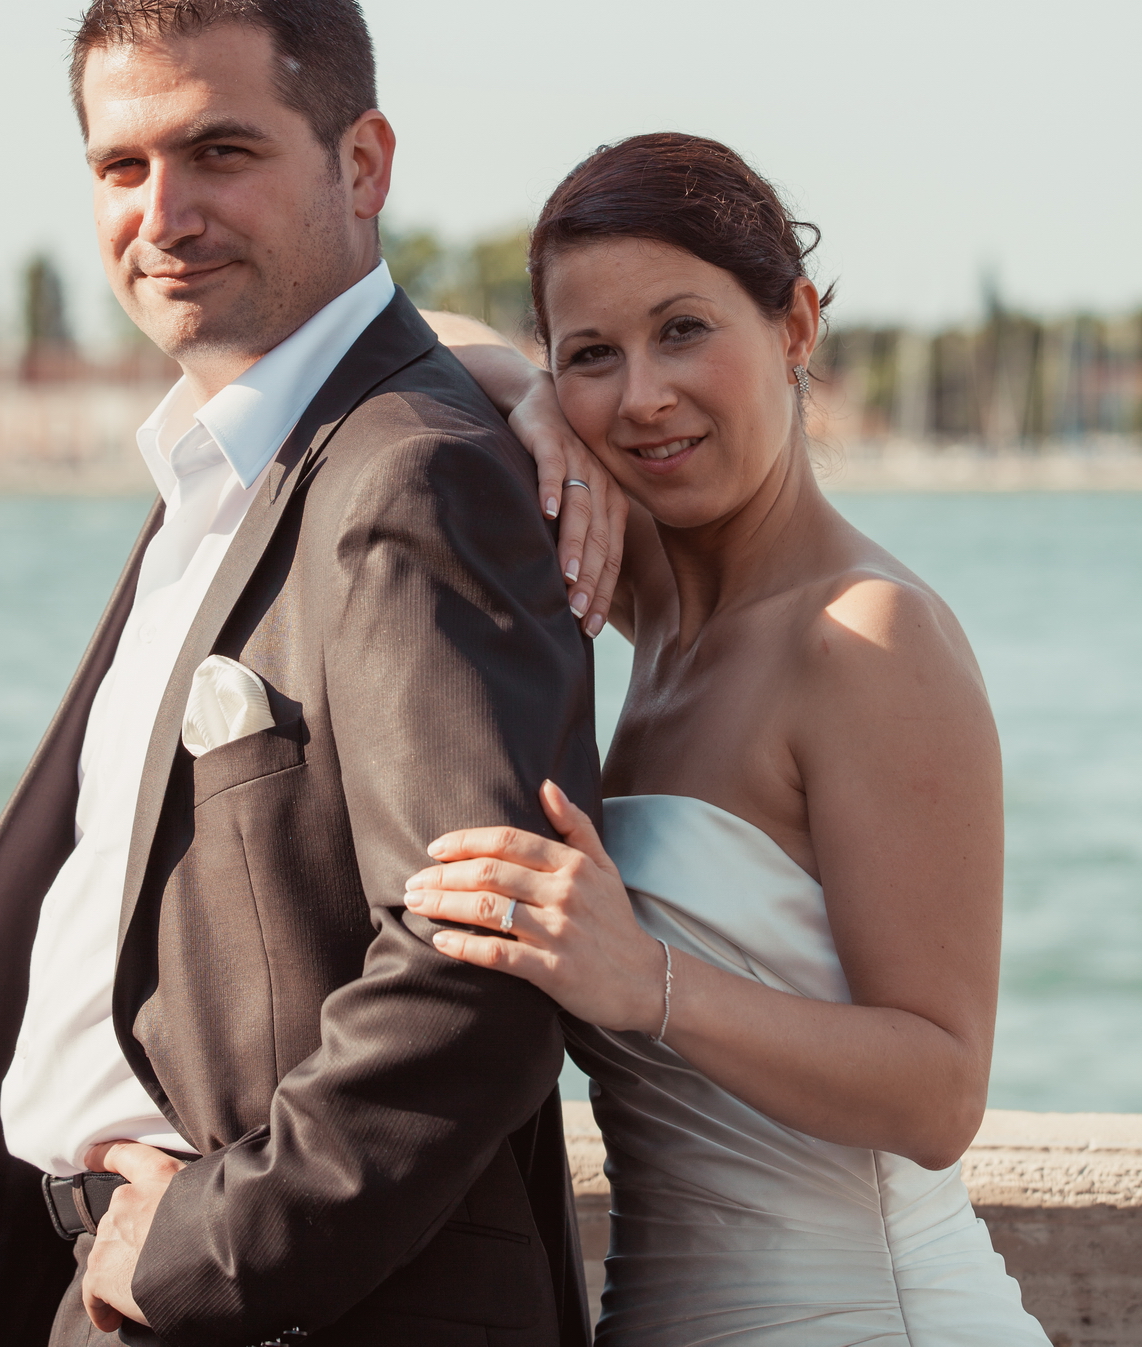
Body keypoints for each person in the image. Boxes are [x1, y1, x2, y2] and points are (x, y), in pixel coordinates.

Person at [0, 0, 622, 1347]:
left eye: (220, 152)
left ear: (363, 166)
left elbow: (482, 965)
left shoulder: (414, 474)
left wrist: (201, 1256)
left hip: (273, 1307)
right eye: (120, 168)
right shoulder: (234, 468)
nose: (164, 213)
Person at [401, 134, 1051, 1344]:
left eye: (684, 330)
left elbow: (939, 1090)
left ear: (794, 325)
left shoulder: (866, 638)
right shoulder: (641, 602)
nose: (641, 395)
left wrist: (641, 982)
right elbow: (400, 327)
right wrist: (531, 403)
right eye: (594, 354)